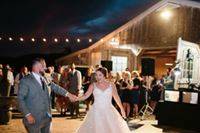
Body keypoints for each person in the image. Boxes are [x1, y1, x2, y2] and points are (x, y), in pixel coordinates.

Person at [17, 58, 77, 133]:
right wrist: (27, 114)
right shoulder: (25, 81)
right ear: (37, 66)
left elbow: (56, 87)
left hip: (47, 118)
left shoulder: (45, 78)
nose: (45, 68)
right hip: (33, 119)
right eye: (44, 66)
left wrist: (69, 94)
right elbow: (20, 99)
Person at [76, 67, 132, 133]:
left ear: (105, 75)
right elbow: (86, 95)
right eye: (96, 75)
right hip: (96, 111)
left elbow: (116, 97)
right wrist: (77, 98)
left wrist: (122, 109)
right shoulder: (93, 85)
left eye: (100, 75)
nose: (97, 77)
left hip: (109, 110)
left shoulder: (111, 85)